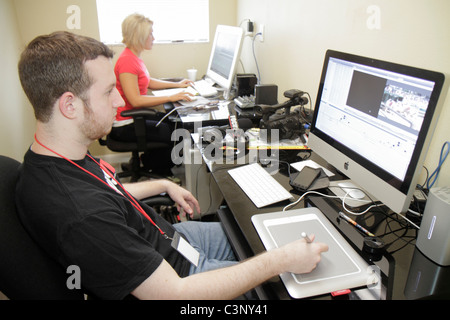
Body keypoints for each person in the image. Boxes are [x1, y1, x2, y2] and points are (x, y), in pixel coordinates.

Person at [16, 31, 328, 300]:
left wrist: (163, 184)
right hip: (181, 280)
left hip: (172, 240)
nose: (120, 102)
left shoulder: (60, 158)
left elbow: (108, 190)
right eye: (109, 91)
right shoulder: (80, 216)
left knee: (264, 233)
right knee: (289, 280)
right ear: (69, 105)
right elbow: (174, 294)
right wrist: (280, 262)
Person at [111, 13, 193, 176]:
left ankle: (146, 162)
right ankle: (158, 171)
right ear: (139, 36)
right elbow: (135, 100)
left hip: (134, 118)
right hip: (125, 124)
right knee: (178, 133)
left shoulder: (133, 56)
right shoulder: (127, 61)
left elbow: (148, 82)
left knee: (174, 123)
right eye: (150, 34)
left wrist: (177, 85)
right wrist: (171, 97)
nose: (153, 38)